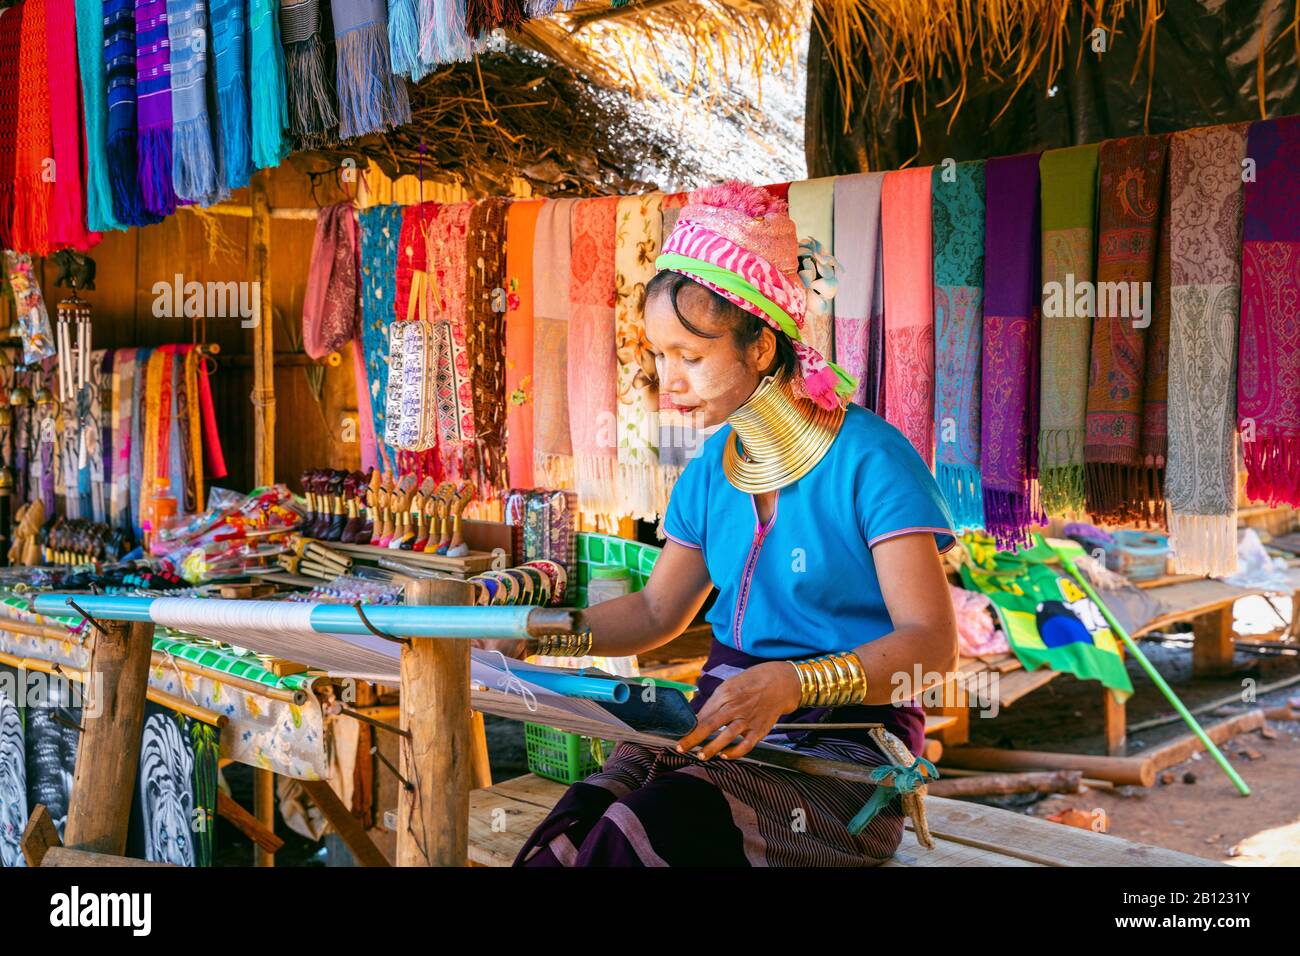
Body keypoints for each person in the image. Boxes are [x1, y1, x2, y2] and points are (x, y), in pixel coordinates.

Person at [514, 180, 958, 866]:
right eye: (660, 356)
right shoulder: (709, 470)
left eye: (691, 356)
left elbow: (931, 649)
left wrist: (792, 684)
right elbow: (659, 610)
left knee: (657, 826)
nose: (670, 383)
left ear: (759, 345)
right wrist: (527, 638)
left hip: (848, 757)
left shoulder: (873, 461)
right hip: (720, 728)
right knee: (581, 824)